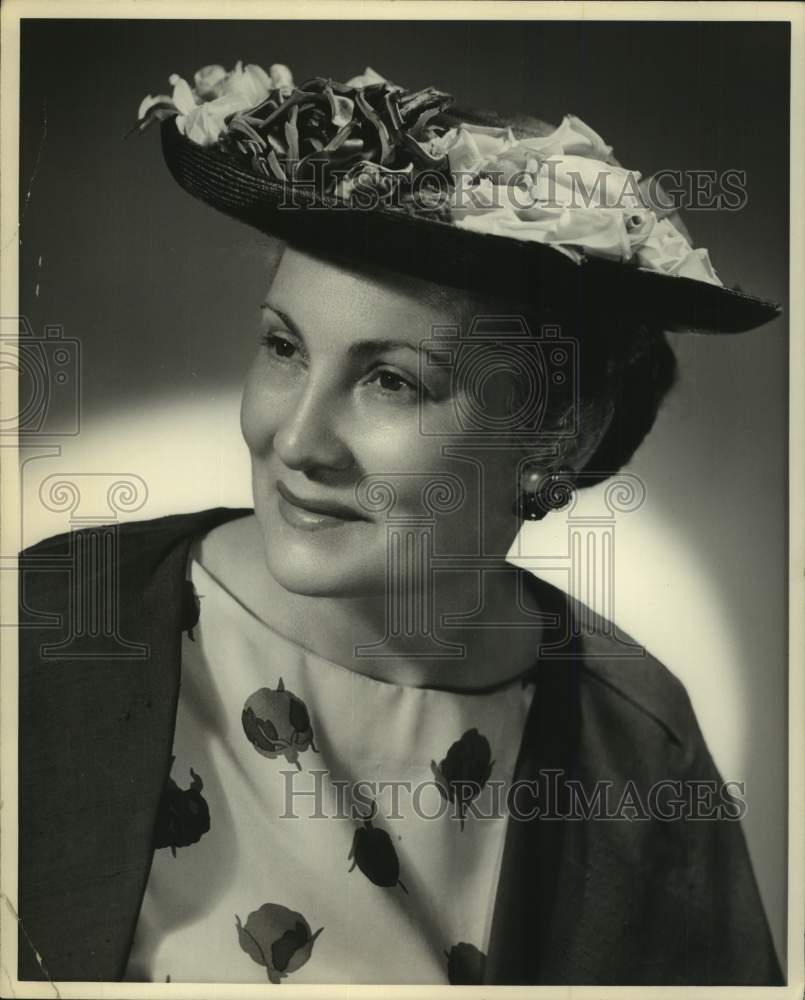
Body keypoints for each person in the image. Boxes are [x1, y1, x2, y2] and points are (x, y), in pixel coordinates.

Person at [18, 60, 783, 986]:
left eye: (392, 380)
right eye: (283, 346)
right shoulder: (48, 632)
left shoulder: (636, 742)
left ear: (560, 434)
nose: (296, 440)